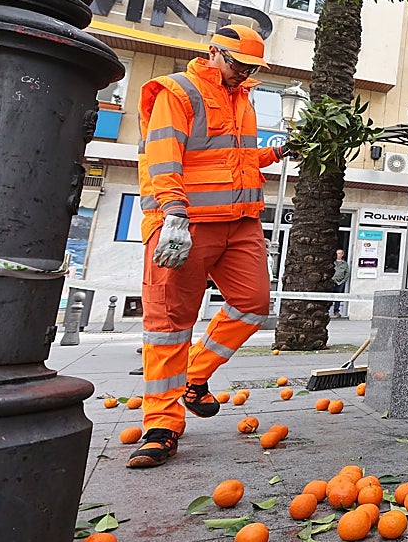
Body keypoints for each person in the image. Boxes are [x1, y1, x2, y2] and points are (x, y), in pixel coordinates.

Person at [128, 24, 291, 468]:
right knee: (169, 325)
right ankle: (161, 426)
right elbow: (163, 155)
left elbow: (231, 157)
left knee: (253, 304)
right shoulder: (178, 92)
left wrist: (274, 153)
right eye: (239, 64)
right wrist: (173, 213)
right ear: (215, 52)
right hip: (187, 223)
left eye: (252, 68)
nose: (244, 74)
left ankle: (193, 376)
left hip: (240, 223)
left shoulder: (243, 99)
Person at [331, 248, 349, 317]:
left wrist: (343, 281)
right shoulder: (333, 262)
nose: (338, 255)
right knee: (329, 296)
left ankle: (336, 311)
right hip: (332, 281)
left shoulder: (344, 264)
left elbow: (347, 273)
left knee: (338, 297)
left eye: (339, 253)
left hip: (340, 282)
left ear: (342, 254)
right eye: (337, 253)